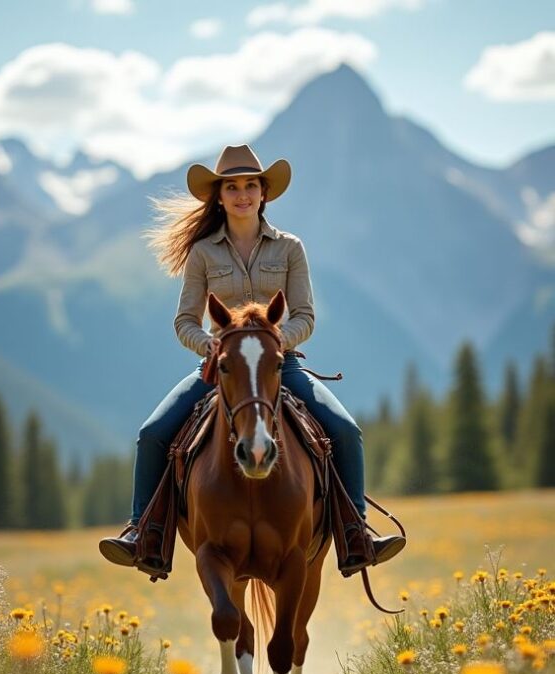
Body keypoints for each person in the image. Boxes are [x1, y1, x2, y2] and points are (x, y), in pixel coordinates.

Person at [99, 144, 405, 576]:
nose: (242, 194)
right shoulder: (203, 253)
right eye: (232, 187)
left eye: (250, 185)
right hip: (220, 368)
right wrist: (208, 344)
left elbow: (306, 317)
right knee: (152, 433)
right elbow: (185, 320)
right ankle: (143, 534)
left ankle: (356, 532)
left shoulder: (290, 249)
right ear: (219, 197)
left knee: (346, 431)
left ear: (264, 193)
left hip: (280, 365)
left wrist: (274, 344)